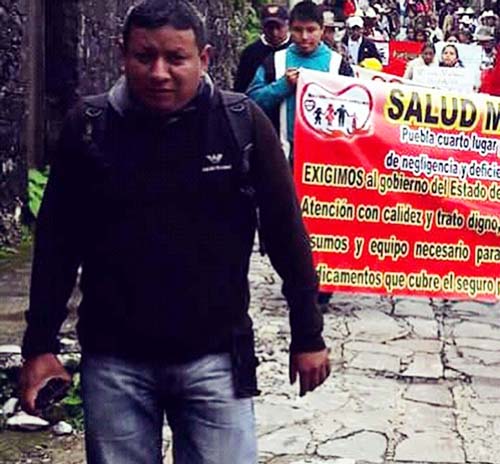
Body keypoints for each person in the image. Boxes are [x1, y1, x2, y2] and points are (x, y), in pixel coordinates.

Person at [18, 1, 331, 463]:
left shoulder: (241, 125)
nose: (159, 72)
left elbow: (286, 233)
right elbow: (57, 244)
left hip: (216, 359)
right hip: (115, 361)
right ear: (122, 54)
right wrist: (39, 345)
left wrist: (308, 333)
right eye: (145, 57)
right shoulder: (89, 130)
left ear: (203, 59)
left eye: (176, 58)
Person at [247, 0, 353, 163]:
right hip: (282, 158)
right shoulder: (275, 61)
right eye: (298, 30)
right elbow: (252, 102)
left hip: (325, 161)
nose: (304, 37)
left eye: (311, 30)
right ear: (290, 29)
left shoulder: (338, 65)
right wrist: (282, 86)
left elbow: (355, 110)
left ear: (322, 30)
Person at [234, 4, 292, 93]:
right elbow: (241, 88)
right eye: (270, 28)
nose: (274, 33)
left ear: (287, 25)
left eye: (279, 27)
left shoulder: (297, 48)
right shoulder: (250, 53)